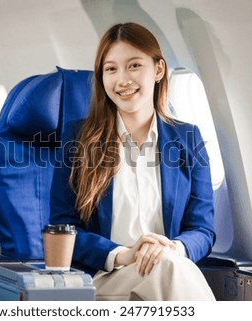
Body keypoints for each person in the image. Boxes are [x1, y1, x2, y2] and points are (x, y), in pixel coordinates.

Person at [50, 22, 215, 301]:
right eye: (111, 69)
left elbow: (202, 229)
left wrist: (172, 249)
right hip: (106, 279)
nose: (122, 80)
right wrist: (122, 255)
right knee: (169, 269)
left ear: (159, 70)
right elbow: (63, 229)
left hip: (170, 272)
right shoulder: (78, 138)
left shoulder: (188, 138)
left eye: (134, 65)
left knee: (169, 266)